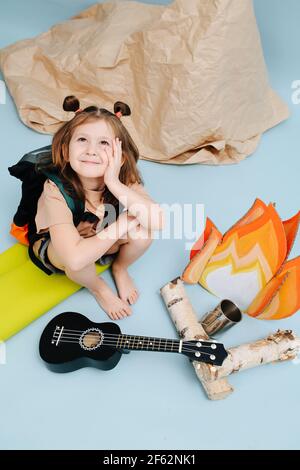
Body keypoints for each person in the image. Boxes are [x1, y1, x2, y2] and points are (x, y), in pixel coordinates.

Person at [31, 95, 164, 320]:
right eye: (82, 139)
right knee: (74, 262)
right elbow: (73, 258)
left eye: (104, 143)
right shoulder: (55, 189)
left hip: (100, 235)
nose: (92, 150)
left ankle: (120, 268)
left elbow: (158, 222)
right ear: (66, 150)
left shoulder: (122, 177)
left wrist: (114, 182)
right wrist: (122, 224)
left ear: (120, 158)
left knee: (144, 231)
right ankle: (98, 287)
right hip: (64, 248)